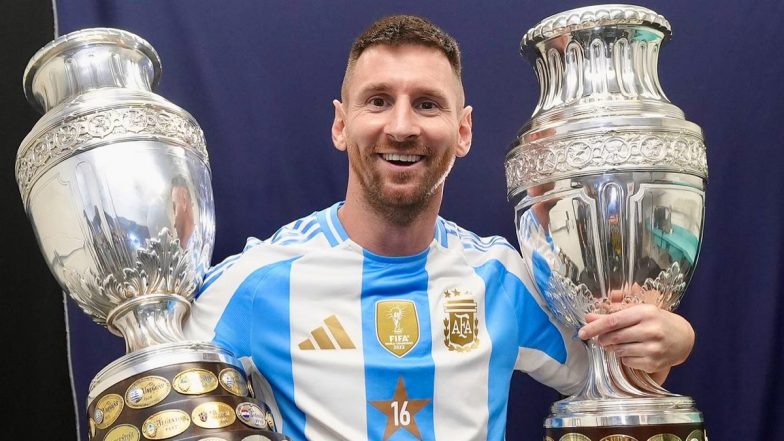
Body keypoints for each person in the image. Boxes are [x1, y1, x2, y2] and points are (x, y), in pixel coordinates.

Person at [184, 15, 695, 440]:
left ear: (464, 129)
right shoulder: (260, 280)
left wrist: (671, 339)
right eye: (378, 100)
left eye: (427, 103)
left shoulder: (501, 278)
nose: (402, 127)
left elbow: (619, 378)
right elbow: (149, 379)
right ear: (341, 124)